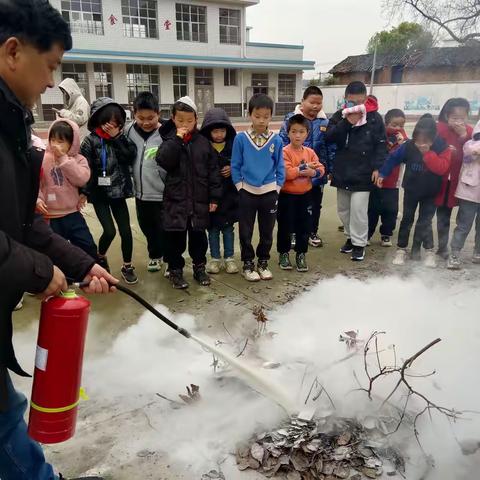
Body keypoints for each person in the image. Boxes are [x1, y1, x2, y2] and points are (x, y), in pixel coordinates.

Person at [0, 2, 116, 479]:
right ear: (12, 52)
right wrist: (40, 271)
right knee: (6, 428)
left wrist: (81, 263)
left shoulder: (12, 129)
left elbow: (25, 225)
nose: (52, 83)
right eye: (49, 66)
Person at [156, 97, 222, 289]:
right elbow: (164, 160)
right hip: (176, 201)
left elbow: (213, 172)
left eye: (189, 121)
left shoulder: (202, 142)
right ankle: (175, 271)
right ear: (173, 119)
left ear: (196, 119)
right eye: (180, 120)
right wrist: (176, 140)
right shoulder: (169, 140)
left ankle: (199, 268)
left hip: (199, 201)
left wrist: (214, 197)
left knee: (198, 239)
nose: (185, 125)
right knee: (175, 240)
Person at [378, 115, 451, 267]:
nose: (421, 142)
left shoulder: (442, 147)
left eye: (426, 139)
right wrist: (382, 174)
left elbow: (442, 168)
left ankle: (428, 251)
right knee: (407, 219)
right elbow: (393, 158)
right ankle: (401, 249)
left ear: (433, 136)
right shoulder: (409, 145)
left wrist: (427, 154)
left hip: (432, 192)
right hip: (411, 189)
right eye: (419, 137)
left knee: (425, 221)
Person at [325, 81, 387, 261]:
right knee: (344, 210)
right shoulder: (339, 116)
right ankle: (350, 238)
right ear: (345, 99)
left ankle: (360, 244)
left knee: (359, 210)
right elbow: (329, 137)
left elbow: (381, 144)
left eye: (360, 102)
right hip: (343, 170)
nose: (356, 106)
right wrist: (346, 122)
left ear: (366, 99)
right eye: (352, 102)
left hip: (364, 172)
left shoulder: (374, 118)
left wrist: (378, 167)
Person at [81, 97, 138, 284]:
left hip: (119, 192)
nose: (112, 125)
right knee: (110, 231)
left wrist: (117, 138)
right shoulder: (89, 141)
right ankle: (100, 256)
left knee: (126, 231)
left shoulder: (121, 139)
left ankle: (127, 266)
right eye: (108, 121)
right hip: (100, 195)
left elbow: (130, 155)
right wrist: (84, 192)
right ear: (99, 120)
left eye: (116, 122)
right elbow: (85, 169)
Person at [231, 93, 285, 282]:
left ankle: (263, 262)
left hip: (269, 193)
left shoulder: (276, 140)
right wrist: (240, 187)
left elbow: (280, 166)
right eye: (257, 116)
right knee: (245, 231)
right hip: (247, 193)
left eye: (266, 116)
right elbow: (235, 165)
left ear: (271, 116)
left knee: (267, 231)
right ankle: (247, 263)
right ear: (249, 114)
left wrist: (277, 188)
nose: (261, 121)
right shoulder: (241, 139)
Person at [279, 86, 335, 247]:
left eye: (319, 103)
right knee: (293, 206)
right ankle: (293, 234)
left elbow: (330, 147)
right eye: (312, 102)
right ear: (303, 101)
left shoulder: (324, 122)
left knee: (315, 205)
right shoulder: (290, 119)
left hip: (316, 174)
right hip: (293, 174)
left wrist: (329, 170)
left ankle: (312, 231)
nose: (316, 106)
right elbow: (281, 144)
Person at [36, 118, 98, 259]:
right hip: (50, 216)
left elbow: (82, 179)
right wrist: (38, 198)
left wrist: (64, 160)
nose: (55, 145)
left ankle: (93, 271)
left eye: (60, 141)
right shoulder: (43, 159)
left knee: (87, 246)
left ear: (72, 142)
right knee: (56, 252)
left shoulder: (79, 159)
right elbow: (35, 183)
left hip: (72, 213)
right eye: (52, 140)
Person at [277, 114, 324, 272]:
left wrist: (312, 173)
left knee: (304, 227)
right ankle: (283, 253)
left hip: (306, 195)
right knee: (285, 226)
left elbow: (320, 170)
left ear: (307, 133)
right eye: (294, 131)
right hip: (287, 196)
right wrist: (306, 168)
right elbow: (287, 174)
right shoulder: (284, 152)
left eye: (301, 132)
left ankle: (301, 254)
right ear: (288, 132)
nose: (298, 135)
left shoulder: (310, 152)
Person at [126, 92, 166, 273]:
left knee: (164, 228)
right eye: (141, 118)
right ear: (134, 114)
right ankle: (155, 254)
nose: (146, 122)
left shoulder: (166, 132)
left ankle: (167, 256)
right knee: (146, 226)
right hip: (141, 193)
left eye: (151, 118)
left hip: (162, 192)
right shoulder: (128, 131)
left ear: (158, 113)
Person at [200, 107, 239, 274]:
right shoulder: (203, 147)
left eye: (222, 130)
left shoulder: (234, 145)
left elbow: (242, 164)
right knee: (213, 229)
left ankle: (229, 258)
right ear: (208, 131)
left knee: (228, 229)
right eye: (215, 131)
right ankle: (215, 258)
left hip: (230, 197)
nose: (219, 135)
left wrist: (233, 169)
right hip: (210, 198)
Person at [435, 98, 473, 259]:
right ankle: (441, 247)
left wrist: (463, 136)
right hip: (440, 179)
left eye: (462, 118)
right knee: (440, 213)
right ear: (446, 115)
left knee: (458, 215)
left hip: (460, 181)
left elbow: (472, 152)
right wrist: (445, 150)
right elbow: (431, 147)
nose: (458, 121)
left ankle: (453, 247)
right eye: (454, 117)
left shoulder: (470, 132)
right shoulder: (439, 129)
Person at [368, 109, 408, 246]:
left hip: (393, 183)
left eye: (401, 125)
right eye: (394, 125)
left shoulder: (403, 140)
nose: (398, 128)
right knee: (372, 210)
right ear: (386, 124)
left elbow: (407, 155)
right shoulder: (380, 137)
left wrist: (402, 144)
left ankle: (386, 234)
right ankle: (367, 234)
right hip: (376, 181)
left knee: (391, 210)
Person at [447, 119, 480, 269]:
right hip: (469, 192)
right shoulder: (470, 144)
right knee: (464, 225)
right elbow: (468, 156)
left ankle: (478, 252)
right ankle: (454, 253)